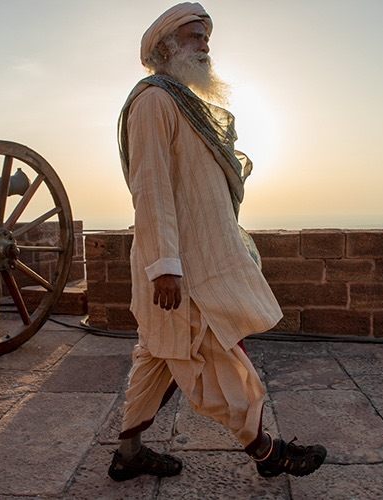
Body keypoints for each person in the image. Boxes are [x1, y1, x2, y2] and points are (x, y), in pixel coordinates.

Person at [109, 2, 326, 482]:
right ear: (165, 47)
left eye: (206, 36)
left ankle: (128, 456)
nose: (204, 44)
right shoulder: (154, 102)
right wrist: (165, 266)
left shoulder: (182, 102)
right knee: (219, 361)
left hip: (191, 259)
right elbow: (152, 187)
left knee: (154, 360)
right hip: (180, 269)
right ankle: (268, 454)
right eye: (192, 36)